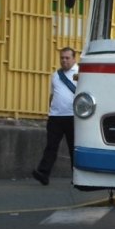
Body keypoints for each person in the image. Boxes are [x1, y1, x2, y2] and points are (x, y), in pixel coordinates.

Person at [32, 47, 78, 185]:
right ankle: (43, 173)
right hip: (55, 117)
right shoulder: (56, 75)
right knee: (51, 147)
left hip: (73, 116)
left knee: (73, 148)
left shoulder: (80, 73)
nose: (64, 61)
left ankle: (77, 177)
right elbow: (52, 95)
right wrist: (51, 110)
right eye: (62, 58)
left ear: (74, 59)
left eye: (67, 58)